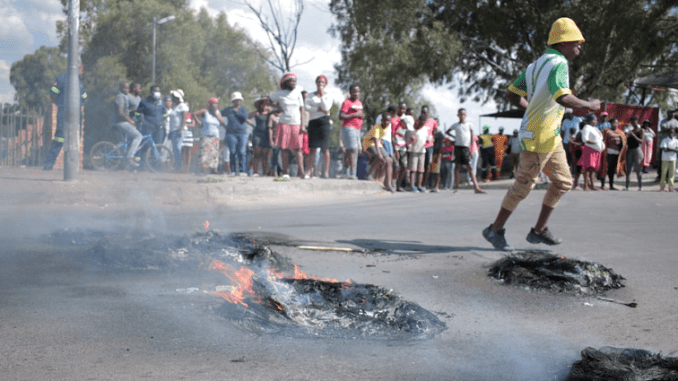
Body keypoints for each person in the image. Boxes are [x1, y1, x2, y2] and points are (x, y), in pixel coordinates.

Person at [483, 17, 601, 251]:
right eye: (576, 42)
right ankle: (495, 230)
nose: (579, 46)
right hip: (538, 134)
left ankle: (539, 230)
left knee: (564, 181)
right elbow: (562, 96)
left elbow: (512, 93)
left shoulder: (535, 65)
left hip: (550, 135)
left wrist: (531, 108)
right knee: (524, 185)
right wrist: (589, 105)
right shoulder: (559, 63)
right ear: (563, 42)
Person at [44, 63, 87, 170]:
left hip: (76, 114)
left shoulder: (81, 84)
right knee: (60, 138)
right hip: (64, 111)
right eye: (81, 68)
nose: (82, 71)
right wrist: (61, 104)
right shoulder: (61, 79)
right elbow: (53, 93)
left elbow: (84, 99)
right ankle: (48, 164)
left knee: (76, 139)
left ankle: (72, 167)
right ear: (75, 68)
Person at [270, 73, 306, 180]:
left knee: (298, 149)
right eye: (291, 81)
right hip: (284, 123)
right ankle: (286, 172)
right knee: (284, 149)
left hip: (296, 123)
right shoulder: (280, 94)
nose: (293, 83)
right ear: (286, 82)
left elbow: (302, 110)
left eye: (295, 81)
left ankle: (301, 172)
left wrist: (303, 125)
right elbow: (268, 101)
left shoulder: (298, 93)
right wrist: (277, 107)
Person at [446, 108, 484, 193]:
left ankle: (476, 187)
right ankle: (457, 188)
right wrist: (454, 138)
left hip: (466, 148)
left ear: (465, 115)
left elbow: (471, 137)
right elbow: (447, 132)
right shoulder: (455, 125)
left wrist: (472, 150)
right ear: (458, 115)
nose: (462, 116)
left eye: (463, 114)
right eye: (460, 114)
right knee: (457, 167)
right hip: (458, 147)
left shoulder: (469, 125)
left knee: (470, 167)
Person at [304, 75, 333, 178]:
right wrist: (318, 109)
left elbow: (326, 107)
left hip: (324, 122)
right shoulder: (310, 95)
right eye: (319, 82)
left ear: (325, 84)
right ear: (316, 83)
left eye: (322, 82)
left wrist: (321, 95)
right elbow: (306, 107)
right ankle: (308, 171)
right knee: (312, 148)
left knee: (325, 149)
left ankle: (326, 171)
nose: (320, 84)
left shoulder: (328, 95)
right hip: (313, 122)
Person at [110, 81, 141, 168]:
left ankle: (124, 165)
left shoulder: (125, 96)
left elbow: (126, 110)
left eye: (128, 88)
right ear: (121, 88)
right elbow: (120, 112)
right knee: (138, 136)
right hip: (120, 122)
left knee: (123, 143)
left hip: (118, 122)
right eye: (125, 88)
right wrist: (130, 120)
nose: (127, 89)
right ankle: (130, 157)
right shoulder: (120, 97)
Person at [362, 112, 394, 192]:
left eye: (388, 121)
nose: (386, 122)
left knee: (389, 161)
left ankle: (388, 184)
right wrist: (379, 154)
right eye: (385, 120)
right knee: (379, 158)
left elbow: (379, 139)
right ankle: (368, 174)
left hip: (378, 143)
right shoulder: (377, 127)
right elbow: (375, 141)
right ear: (382, 120)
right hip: (369, 143)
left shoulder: (387, 127)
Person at [339, 85, 364, 179]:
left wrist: (361, 116)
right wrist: (355, 115)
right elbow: (341, 116)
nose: (356, 93)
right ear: (350, 92)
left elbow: (359, 114)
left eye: (358, 91)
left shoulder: (359, 103)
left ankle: (345, 171)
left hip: (358, 129)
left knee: (350, 151)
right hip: (349, 127)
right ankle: (353, 173)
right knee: (353, 149)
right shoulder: (346, 102)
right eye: (354, 91)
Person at [193, 98, 224, 174]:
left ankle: (212, 170)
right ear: (210, 104)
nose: (215, 105)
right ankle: (203, 170)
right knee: (204, 153)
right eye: (214, 103)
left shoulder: (217, 112)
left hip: (215, 136)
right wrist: (199, 122)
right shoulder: (205, 111)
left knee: (213, 154)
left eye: (217, 104)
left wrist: (216, 114)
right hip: (206, 135)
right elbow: (194, 114)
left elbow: (221, 121)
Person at [222, 91, 249, 175]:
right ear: (233, 101)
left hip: (242, 133)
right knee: (232, 151)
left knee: (241, 151)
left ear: (241, 101)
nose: (237, 101)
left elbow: (245, 118)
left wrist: (237, 112)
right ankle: (232, 171)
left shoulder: (243, 109)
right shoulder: (228, 110)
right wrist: (223, 124)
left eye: (238, 100)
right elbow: (219, 113)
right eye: (235, 100)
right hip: (230, 133)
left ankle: (242, 170)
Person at [578, 113, 604, 191]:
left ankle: (592, 185)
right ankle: (585, 186)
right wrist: (594, 143)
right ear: (589, 120)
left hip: (596, 151)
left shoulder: (595, 128)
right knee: (587, 168)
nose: (595, 121)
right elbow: (585, 139)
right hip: (590, 150)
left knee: (593, 169)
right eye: (594, 120)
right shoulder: (587, 127)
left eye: (596, 120)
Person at [599, 118, 626, 190]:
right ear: (610, 124)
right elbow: (608, 135)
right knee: (605, 168)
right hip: (608, 153)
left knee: (612, 170)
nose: (616, 124)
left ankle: (611, 185)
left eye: (617, 123)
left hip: (617, 153)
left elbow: (623, 142)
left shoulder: (620, 132)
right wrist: (616, 136)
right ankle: (602, 185)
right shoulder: (607, 131)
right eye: (614, 123)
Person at [249, 96, 272, 176]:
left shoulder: (270, 114)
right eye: (263, 104)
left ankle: (265, 172)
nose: (265, 105)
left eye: (266, 104)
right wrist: (252, 125)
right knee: (257, 154)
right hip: (257, 134)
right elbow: (247, 117)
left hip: (266, 135)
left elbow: (278, 114)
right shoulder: (257, 113)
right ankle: (255, 172)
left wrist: (270, 110)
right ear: (260, 105)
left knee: (265, 155)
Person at [167, 89, 188, 172]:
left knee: (178, 148)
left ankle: (179, 166)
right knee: (175, 149)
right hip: (173, 130)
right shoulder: (175, 107)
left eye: (174, 97)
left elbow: (184, 118)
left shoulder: (183, 106)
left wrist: (181, 130)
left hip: (179, 130)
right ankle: (177, 166)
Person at [392, 102, 410, 191]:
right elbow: (391, 133)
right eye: (401, 108)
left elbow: (409, 132)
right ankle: (393, 184)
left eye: (404, 109)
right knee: (395, 166)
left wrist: (409, 143)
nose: (403, 110)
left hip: (403, 146)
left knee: (404, 166)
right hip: (395, 146)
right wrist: (394, 148)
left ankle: (399, 185)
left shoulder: (406, 119)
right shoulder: (393, 120)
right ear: (397, 108)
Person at [657, 110, 678, 181]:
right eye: (671, 113)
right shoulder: (664, 121)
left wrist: (670, 129)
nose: (672, 115)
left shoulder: (675, 121)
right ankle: (660, 176)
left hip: (673, 141)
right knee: (662, 160)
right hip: (664, 141)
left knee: (672, 160)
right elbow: (663, 128)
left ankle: (669, 178)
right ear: (668, 114)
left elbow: (676, 130)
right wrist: (671, 129)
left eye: (673, 114)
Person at [625, 115, 644, 191]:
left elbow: (641, 141)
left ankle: (640, 186)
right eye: (632, 122)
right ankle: (626, 187)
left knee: (638, 169)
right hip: (630, 150)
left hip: (637, 150)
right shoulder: (630, 130)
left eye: (634, 121)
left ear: (637, 121)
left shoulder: (641, 130)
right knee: (629, 169)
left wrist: (633, 136)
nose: (633, 123)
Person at [659, 128, 678, 192]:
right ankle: (662, 187)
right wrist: (674, 149)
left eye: (672, 132)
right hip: (665, 159)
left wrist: (669, 148)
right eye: (670, 132)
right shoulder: (665, 140)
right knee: (664, 174)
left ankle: (671, 187)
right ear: (668, 133)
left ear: (674, 133)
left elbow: (677, 150)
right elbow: (664, 149)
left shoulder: (676, 141)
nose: (671, 133)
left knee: (672, 174)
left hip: (673, 159)